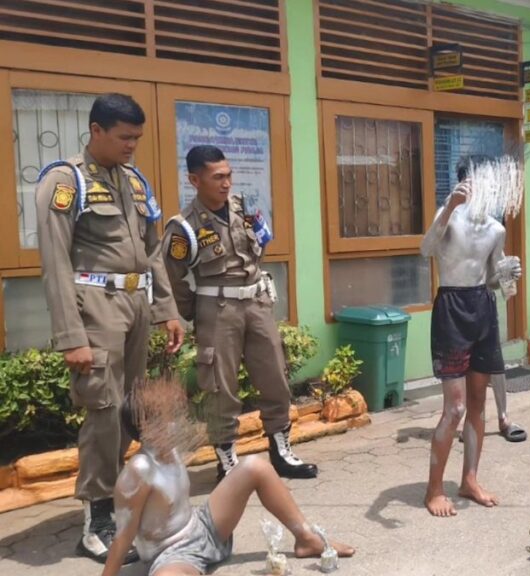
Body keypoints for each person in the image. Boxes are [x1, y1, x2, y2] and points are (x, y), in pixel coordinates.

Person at [34, 93, 184, 563]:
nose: (132, 146)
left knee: (128, 408)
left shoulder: (135, 182)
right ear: (96, 130)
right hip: (95, 307)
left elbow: (153, 252)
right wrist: (71, 336)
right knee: (101, 409)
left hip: (136, 304)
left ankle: (119, 497)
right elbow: (54, 262)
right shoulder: (65, 181)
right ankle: (96, 517)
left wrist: (168, 309)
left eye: (137, 138)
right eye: (124, 137)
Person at [161, 145, 317, 481]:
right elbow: (171, 278)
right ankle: (227, 462)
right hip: (217, 310)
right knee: (220, 388)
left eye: (229, 175)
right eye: (218, 177)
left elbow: (260, 245)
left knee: (275, 376)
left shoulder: (242, 209)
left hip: (256, 302)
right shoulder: (184, 227)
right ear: (194, 179)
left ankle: (281, 451)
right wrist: (198, 312)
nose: (226, 183)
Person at [101, 376, 354, 576]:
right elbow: (122, 539)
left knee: (255, 466)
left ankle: (306, 538)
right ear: (147, 427)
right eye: (165, 414)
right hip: (171, 553)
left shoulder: (173, 445)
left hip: (203, 526)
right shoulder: (137, 473)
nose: (175, 416)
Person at [419, 155, 522, 517]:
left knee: (478, 403)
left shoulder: (497, 229)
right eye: (479, 182)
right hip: (451, 308)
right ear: (464, 182)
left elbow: (494, 278)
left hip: (482, 307)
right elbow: (426, 249)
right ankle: (434, 489)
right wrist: (449, 206)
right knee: (456, 407)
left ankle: (469, 479)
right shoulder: (448, 216)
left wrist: (508, 273)